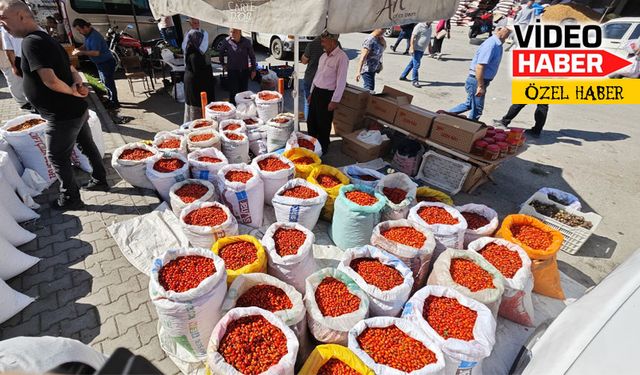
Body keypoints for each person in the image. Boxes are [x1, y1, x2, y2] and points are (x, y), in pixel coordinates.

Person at [0, 0, 108, 209]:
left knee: (57, 156)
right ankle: (101, 179)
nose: (2, 25)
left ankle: (70, 198)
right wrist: (78, 85)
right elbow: (70, 69)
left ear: (21, 15)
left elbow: (49, 79)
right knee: (86, 144)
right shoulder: (46, 38)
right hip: (74, 109)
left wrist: (74, 90)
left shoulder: (31, 42)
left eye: (3, 19)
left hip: (62, 115)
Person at [448, 26, 512, 121]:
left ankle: (443, 116)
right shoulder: (491, 44)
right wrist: (480, 86)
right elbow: (480, 66)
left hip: (480, 80)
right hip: (477, 80)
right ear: (499, 31)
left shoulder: (498, 44)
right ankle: (469, 130)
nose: (508, 34)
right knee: (477, 109)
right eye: (507, 31)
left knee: (469, 104)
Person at [307, 31, 348, 152]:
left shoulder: (342, 57)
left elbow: (341, 81)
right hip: (316, 92)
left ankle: (323, 147)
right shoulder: (323, 56)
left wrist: (335, 101)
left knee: (323, 123)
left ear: (333, 41)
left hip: (327, 94)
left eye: (324, 41)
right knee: (311, 120)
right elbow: (317, 76)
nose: (322, 44)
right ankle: (311, 144)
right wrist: (311, 93)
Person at [71, 18, 119, 109]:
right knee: (105, 82)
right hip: (101, 63)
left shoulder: (94, 36)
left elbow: (96, 53)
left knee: (109, 83)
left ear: (85, 27)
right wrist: (79, 48)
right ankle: (110, 99)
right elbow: (85, 45)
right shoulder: (88, 35)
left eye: (79, 29)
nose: (79, 32)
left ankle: (115, 103)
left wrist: (81, 53)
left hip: (106, 62)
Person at [183, 31, 215, 122]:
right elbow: (199, 72)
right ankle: (196, 127)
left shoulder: (190, 49)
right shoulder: (195, 55)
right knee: (196, 110)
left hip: (190, 83)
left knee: (190, 107)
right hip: (195, 86)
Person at [219, 28, 256, 105]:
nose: (232, 34)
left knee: (243, 92)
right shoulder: (226, 41)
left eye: (234, 32)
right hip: (232, 71)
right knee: (233, 92)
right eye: (231, 32)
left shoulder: (246, 42)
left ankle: (243, 109)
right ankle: (233, 109)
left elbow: (252, 57)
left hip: (244, 70)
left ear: (240, 32)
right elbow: (221, 53)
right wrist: (223, 64)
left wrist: (253, 70)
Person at [1, 25, 30, 109]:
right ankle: (22, 103)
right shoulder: (3, 29)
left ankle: (26, 100)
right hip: (6, 60)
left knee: (20, 81)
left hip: (12, 58)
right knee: (14, 82)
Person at [399, 22, 432, 88]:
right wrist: (411, 47)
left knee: (412, 64)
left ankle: (403, 76)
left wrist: (430, 47)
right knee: (416, 65)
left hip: (422, 49)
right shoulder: (419, 26)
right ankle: (415, 81)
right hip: (416, 49)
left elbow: (428, 37)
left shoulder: (430, 27)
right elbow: (413, 36)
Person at [301, 35, 323, 121]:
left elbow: (304, 61)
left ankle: (309, 124)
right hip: (324, 79)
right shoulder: (336, 44)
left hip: (311, 77)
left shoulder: (312, 44)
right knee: (320, 104)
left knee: (308, 103)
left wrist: (303, 56)